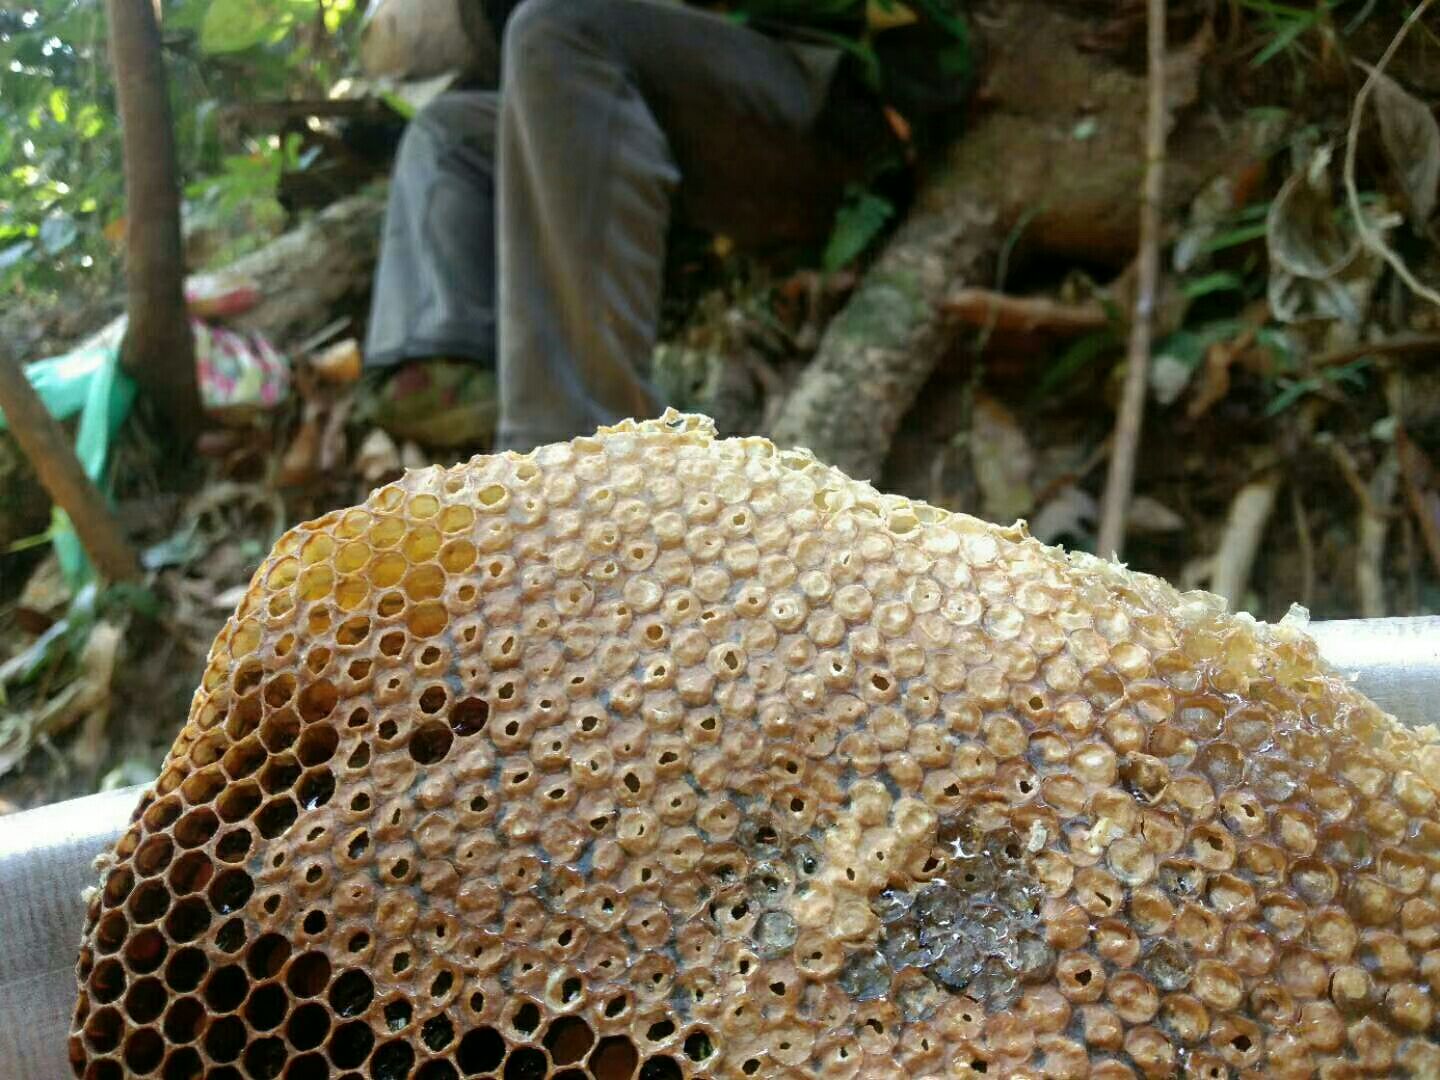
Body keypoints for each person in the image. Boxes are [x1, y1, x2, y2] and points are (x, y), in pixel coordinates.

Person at [364, 0, 970, 451]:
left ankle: (575, 450)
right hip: (681, 115)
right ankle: (449, 377)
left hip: (841, 98)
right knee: (452, 133)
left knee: (558, 29)